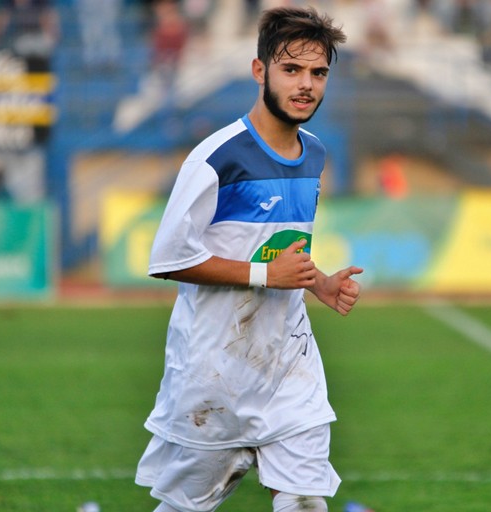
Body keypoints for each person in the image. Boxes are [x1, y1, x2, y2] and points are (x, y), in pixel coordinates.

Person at [135, 7, 362, 512]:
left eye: (318, 72)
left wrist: (318, 283)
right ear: (260, 71)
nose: (306, 85)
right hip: (214, 371)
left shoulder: (315, 154)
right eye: (291, 70)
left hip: (288, 364)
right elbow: (168, 258)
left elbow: (277, 247)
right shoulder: (217, 158)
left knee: (305, 499)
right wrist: (266, 275)